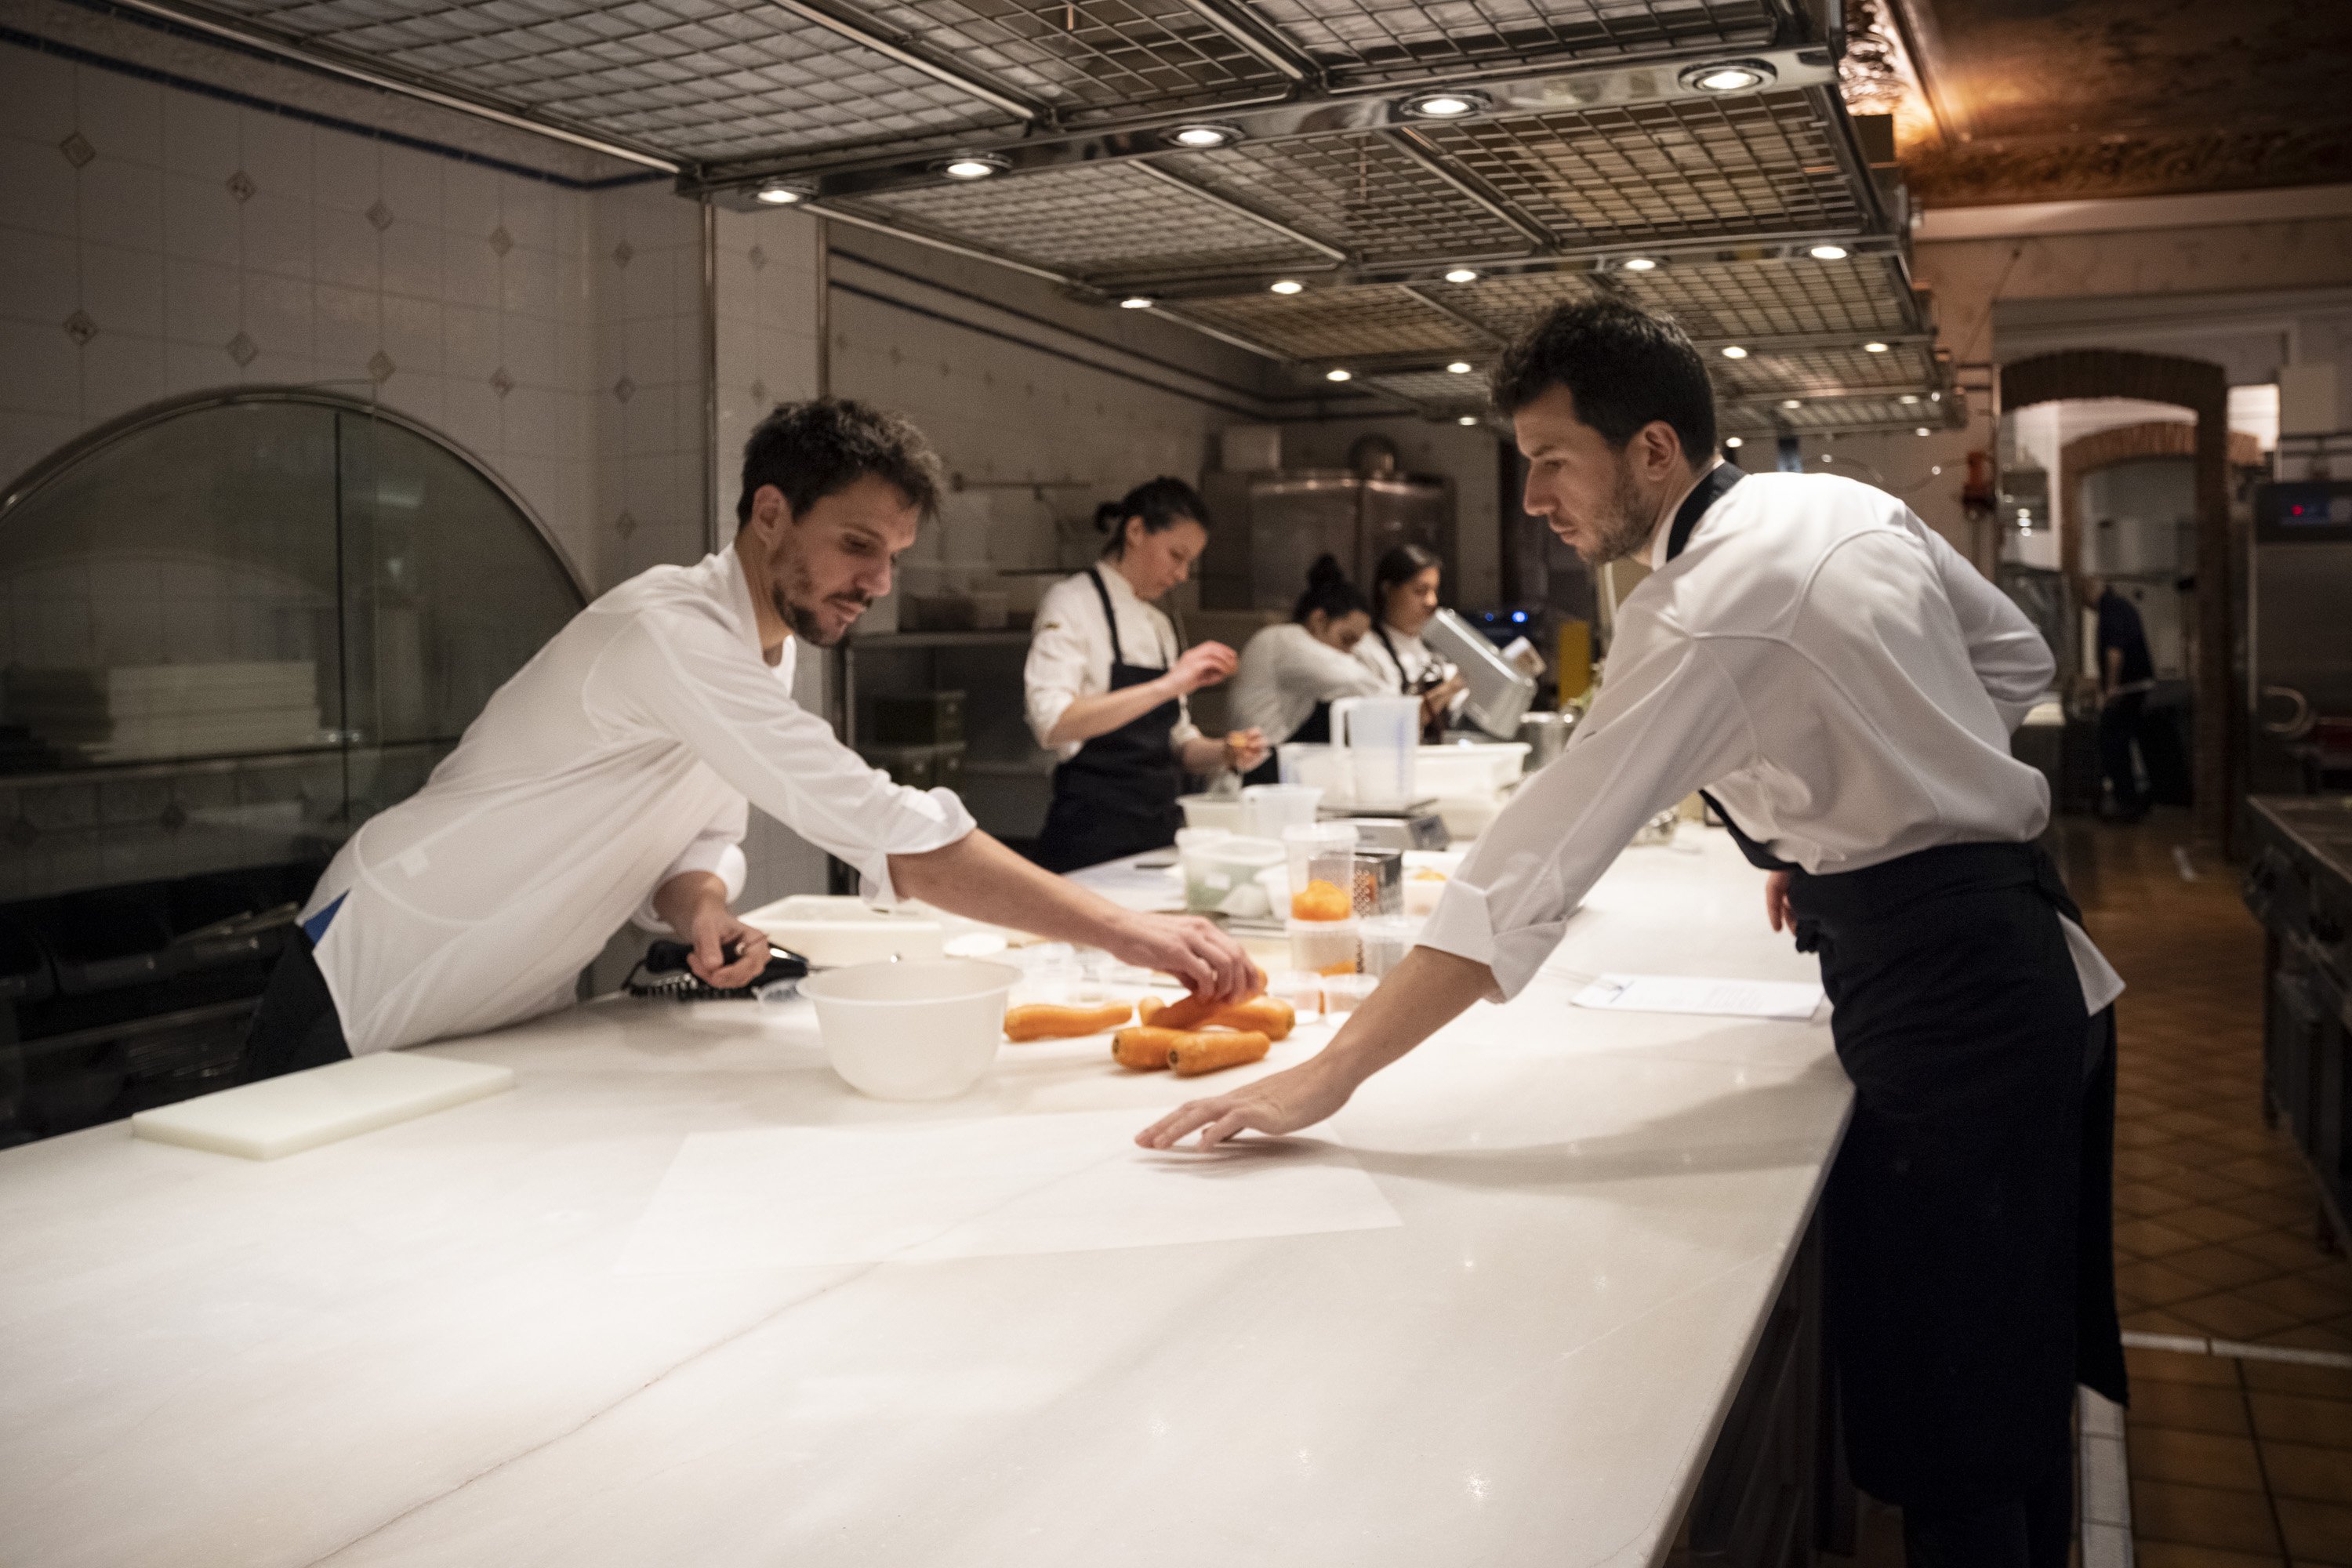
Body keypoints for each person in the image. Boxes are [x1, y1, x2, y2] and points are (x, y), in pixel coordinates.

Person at [1142, 300, 2127, 1568]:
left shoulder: (1702, 602)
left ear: (1652, 451)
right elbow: (2015, 659)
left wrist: (1328, 1073)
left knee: (1958, 1412)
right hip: (2009, 952)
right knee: (2004, 1366)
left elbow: (1529, 868)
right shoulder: (1830, 502)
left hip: (1953, 1006)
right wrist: (1854, 825)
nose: (1535, 492)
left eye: (1553, 459)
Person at [235, 401, 1258, 1079]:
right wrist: (1132, 936)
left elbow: (694, 841)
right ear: (771, 515)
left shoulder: (770, 649)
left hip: (496, 991)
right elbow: (881, 825)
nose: (877, 582)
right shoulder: (668, 630)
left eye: (894, 555)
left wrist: (705, 906)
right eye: (857, 545)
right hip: (382, 956)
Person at [1025, 478, 1266, 872]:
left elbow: (1176, 744)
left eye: (1189, 562)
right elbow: (1053, 724)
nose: (1182, 574)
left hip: (1156, 838)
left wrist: (1224, 752)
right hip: (1090, 840)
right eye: (1176, 555)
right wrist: (1169, 684)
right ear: (1135, 531)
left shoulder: (1158, 625)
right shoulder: (1071, 603)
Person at [1228, 554, 1388, 786]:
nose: (1348, 653)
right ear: (1319, 620)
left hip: (1270, 769)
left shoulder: (1294, 645)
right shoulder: (1285, 639)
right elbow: (1365, 685)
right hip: (1251, 775)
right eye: (1346, 639)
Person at [1354, 542, 1467, 739]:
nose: (1432, 602)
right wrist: (1450, 689)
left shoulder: (1435, 648)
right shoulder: (1367, 650)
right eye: (1420, 591)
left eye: (1435, 591)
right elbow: (1386, 727)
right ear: (1388, 589)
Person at [2086, 572, 2155, 822]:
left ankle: (2127, 803)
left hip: (2128, 688)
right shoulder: (2120, 606)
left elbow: (2115, 652)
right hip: (2135, 686)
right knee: (2120, 743)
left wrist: (2111, 689)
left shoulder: (2111, 608)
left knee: (2111, 743)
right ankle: (2129, 800)